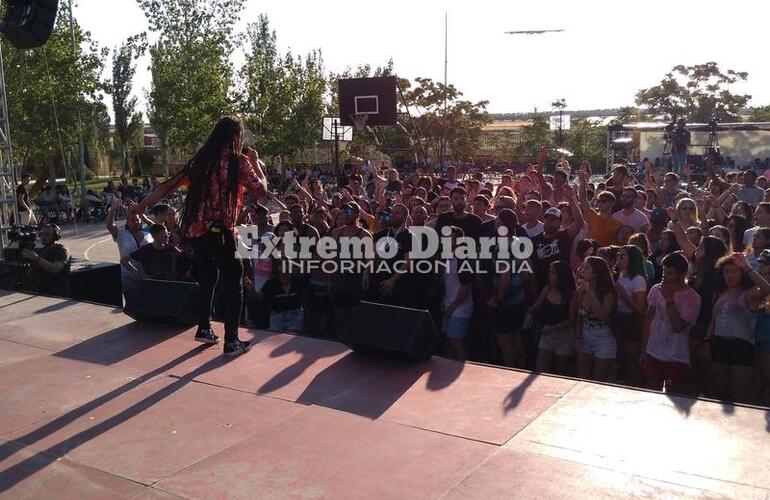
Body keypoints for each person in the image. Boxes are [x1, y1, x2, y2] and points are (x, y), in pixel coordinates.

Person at [134, 116, 267, 356]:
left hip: (195, 231)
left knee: (209, 275)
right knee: (234, 280)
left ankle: (204, 327)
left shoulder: (202, 162)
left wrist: (141, 205)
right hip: (220, 231)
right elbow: (262, 190)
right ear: (236, 136)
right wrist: (256, 162)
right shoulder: (238, 162)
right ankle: (232, 340)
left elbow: (168, 185)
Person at [706, 253, 770, 403]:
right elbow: (713, 321)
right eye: (726, 271)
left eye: (734, 271)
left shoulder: (749, 294)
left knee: (739, 398)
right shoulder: (720, 294)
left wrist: (747, 268)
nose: (730, 276)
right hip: (719, 345)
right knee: (719, 395)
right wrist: (707, 342)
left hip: (742, 347)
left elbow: (767, 289)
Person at [641, 252, 701, 393]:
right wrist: (644, 350)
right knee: (651, 394)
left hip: (676, 357)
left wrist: (669, 299)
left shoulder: (693, 298)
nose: (665, 277)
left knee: (674, 396)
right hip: (653, 352)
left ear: (682, 275)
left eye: (670, 273)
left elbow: (678, 326)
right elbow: (648, 320)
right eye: (664, 272)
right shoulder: (656, 290)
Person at [526, 260, 576, 375]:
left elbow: (571, 319)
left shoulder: (571, 295)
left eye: (553, 273)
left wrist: (554, 328)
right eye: (550, 273)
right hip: (547, 334)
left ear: (561, 276)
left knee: (560, 373)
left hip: (564, 335)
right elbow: (536, 306)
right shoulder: (547, 290)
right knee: (540, 370)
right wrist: (529, 314)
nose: (549, 276)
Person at [572, 256, 616, 382]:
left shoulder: (608, 292)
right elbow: (578, 315)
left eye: (586, 268)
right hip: (585, 340)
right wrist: (577, 335)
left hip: (604, 342)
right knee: (582, 381)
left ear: (596, 273)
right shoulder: (580, 292)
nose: (582, 271)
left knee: (598, 383)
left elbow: (603, 315)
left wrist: (590, 292)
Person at [107, 198, 153, 303]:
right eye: (132, 220)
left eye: (137, 220)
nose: (135, 222)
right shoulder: (121, 234)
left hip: (147, 275)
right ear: (127, 222)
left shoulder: (148, 235)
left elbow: (158, 229)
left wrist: (142, 214)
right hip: (128, 277)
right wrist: (112, 210)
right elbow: (110, 225)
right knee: (132, 304)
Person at [614, 245, 648, 387]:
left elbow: (639, 308)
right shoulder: (619, 276)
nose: (619, 259)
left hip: (632, 323)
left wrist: (622, 291)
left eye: (623, 256)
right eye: (618, 256)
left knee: (631, 362)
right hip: (619, 321)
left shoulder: (638, 279)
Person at [441, 226, 474, 360]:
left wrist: (453, 307)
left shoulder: (463, 259)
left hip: (460, 309)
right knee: (448, 343)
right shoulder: (447, 258)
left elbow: (465, 287)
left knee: (457, 345)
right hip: (448, 306)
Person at [21, 224, 71, 296]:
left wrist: (36, 258)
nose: (43, 237)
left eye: (47, 234)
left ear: (55, 237)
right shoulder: (41, 251)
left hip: (59, 294)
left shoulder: (62, 251)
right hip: (42, 293)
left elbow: (56, 269)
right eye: (42, 234)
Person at [262, 260, 305, 333]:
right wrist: (251, 290)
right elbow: (260, 296)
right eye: (281, 271)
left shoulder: (297, 282)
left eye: (287, 271)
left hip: (294, 314)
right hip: (277, 315)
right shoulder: (271, 284)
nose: (284, 274)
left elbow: (304, 300)